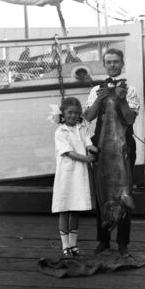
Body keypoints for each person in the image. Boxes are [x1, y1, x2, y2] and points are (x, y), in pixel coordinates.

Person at [84, 48, 140, 257]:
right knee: (101, 192)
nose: (113, 65)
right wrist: (101, 98)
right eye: (109, 62)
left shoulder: (130, 89)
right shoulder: (95, 90)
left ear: (122, 64)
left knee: (125, 192)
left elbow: (130, 119)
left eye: (116, 62)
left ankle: (123, 243)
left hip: (123, 147)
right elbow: (88, 117)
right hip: (102, 146)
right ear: (104, 65)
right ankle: (103, 240)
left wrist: (122, 99)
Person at [49, 97, 98, 257]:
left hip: (80, 174)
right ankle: (65, 246)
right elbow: (68, 152)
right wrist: (86, 158)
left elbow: (86, 140)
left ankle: (73, 245)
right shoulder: (60, 132)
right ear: (63, 113)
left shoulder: (81, 127)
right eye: (70, 112)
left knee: (76, 207)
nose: (73, 116)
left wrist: (91, 147)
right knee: (65, 208)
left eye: (77, 113)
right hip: (67, 174)